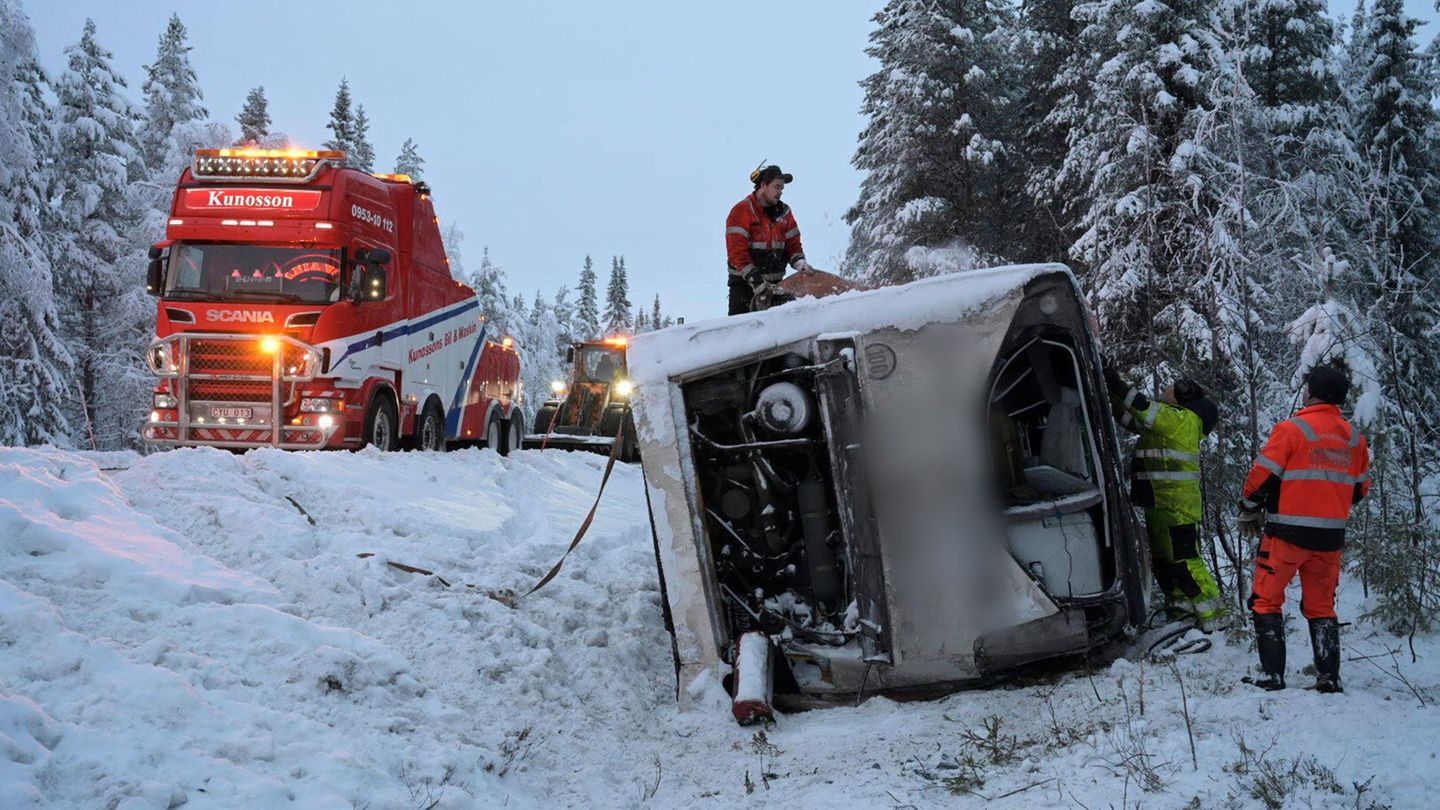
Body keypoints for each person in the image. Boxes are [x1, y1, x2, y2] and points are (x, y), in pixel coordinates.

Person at [1239, 363, 1369, 693]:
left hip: (1286, 535)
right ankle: (1328, 678)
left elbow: (1262, 475)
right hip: (1330, 538)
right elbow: (1359, 490)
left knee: (1266, 601)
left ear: (1311, 391)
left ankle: (1272, 676)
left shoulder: (1292, 429)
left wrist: (1248, 509)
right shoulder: (1355, 439)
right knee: (1322, 607)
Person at [1105, 366, 1226, 629]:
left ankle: (1215, 616)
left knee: (1184, 560)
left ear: (1182, 395)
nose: (1163, 391)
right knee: (1164, 562)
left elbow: (1139, 404)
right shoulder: (1167, 423)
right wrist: (1110, 397)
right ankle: (1181, 609)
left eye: (1169, 388)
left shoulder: (1181, 419)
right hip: (1160, 504)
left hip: (1175, 506)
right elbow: (1129, 418)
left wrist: (1112, 378)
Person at [725, 164, 817, 315]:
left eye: (782, 189)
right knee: (742, 334)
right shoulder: (741, 211)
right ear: (763, 185)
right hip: (744, 289)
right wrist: (756, 282)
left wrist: (800, 263)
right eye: (777, 187)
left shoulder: (785, 213)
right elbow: (737, 253)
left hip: (776, 289)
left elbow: (793, 246)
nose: (780, 192)